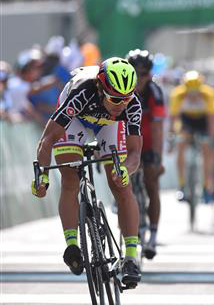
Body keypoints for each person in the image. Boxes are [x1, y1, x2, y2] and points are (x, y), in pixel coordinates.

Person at [31, 57, 143, 286]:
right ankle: (72, 245)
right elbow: (48, 139)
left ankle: (131, 257)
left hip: (109, 127)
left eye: (126, 98)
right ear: (101, 88)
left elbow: (134, 154)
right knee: (70, 178)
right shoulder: (82, 93)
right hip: (76, 120)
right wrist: (41, 176)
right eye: (115, 99)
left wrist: (125, 170)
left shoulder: (131, 105)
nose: (121, 104)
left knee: (121, 185)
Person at [126, 49, 166, 259]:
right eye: (136, 73)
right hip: (127, 142)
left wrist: (157, 158)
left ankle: (152, 235)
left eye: (144, 74)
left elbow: (159, 128)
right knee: (125, 186)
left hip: (149, 143)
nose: (140, 78)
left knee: (152, 186)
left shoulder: (154, 92)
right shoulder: (120, 88)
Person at [169, 70, 214, 202]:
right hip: (186, 121)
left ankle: (206, 187)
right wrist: (172, 136)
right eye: (190, 93)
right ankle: (182, 185)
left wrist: (211, 138)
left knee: (207, 151)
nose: (193, 96)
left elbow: (211, 119)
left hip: (202, 121)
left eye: (196, 92)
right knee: (181, 145)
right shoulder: (177, 95)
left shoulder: (208, 94)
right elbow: (174, 119)